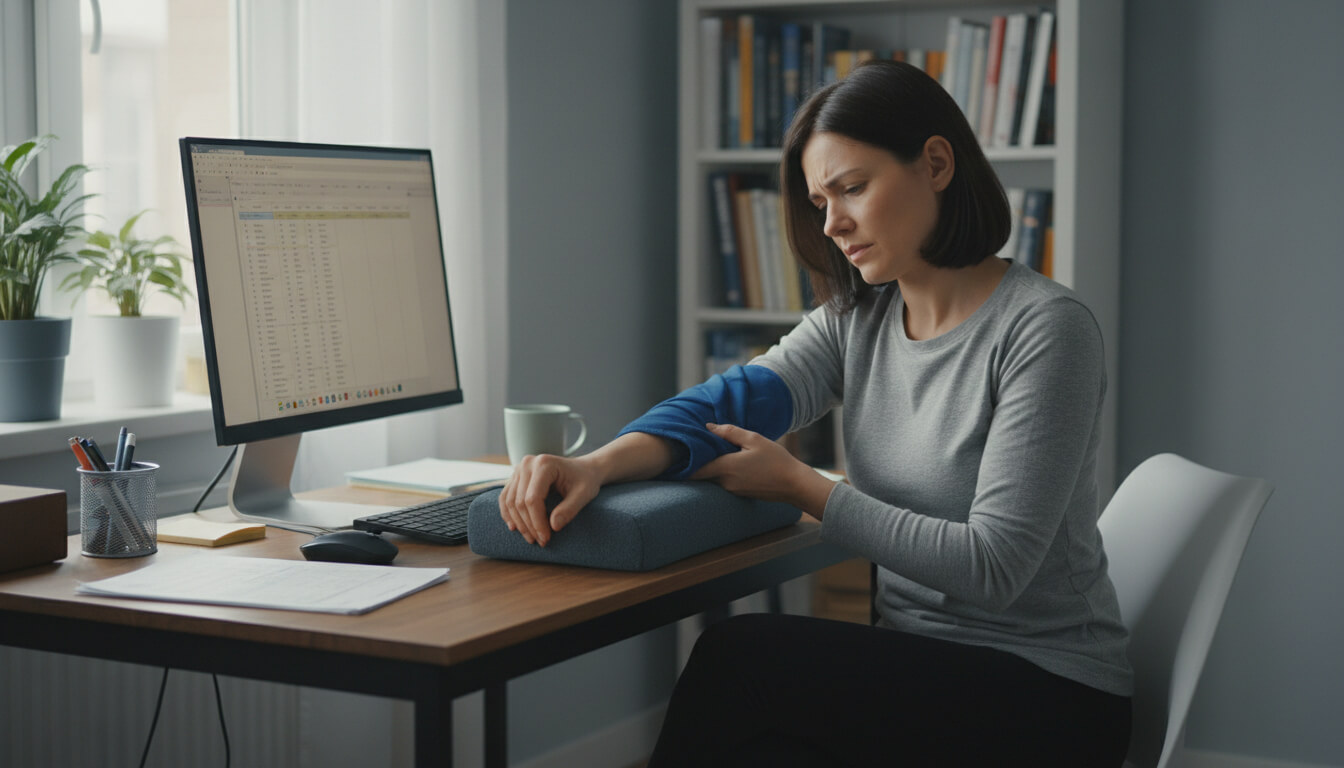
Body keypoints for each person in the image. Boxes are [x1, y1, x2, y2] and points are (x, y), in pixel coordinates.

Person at [497, 60, 1133, 767]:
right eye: (819, 201)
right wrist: (594, 464)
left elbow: (993, 566)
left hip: (1049, 694)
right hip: (919, 662)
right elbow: (723, 405)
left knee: (740, 663)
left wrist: (805, 487)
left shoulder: (1045, 329)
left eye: (852, 189)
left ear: (936, 163)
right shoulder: (858, 319)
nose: (832, 223)